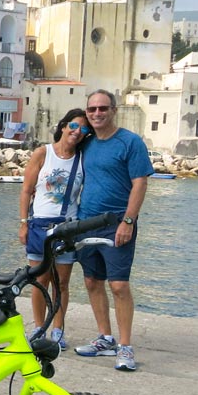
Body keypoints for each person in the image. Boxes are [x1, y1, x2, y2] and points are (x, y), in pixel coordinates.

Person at [74, 89, 155, 371]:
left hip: (117, 222)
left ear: (114, 110)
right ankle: (105, 339)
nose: (97, 113)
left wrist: (129, 221)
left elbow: (140, 183)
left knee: (119, 285)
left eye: (103, 108)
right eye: (92, 109)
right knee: (92, 282)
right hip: (86, 221)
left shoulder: (130, 142)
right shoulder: (86, 143)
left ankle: (125, 346)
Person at [19, 108, 90, 349]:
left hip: (66, 227)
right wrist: (22, 224)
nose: (77, 131)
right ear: (63, 126)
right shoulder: (43, 153)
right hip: (38, 225)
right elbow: (27, 190)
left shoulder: (82, 159)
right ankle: (40, 328)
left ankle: (58, 330)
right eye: (74, 125)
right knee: (40, 280)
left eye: (83, 128)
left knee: (62, 283)